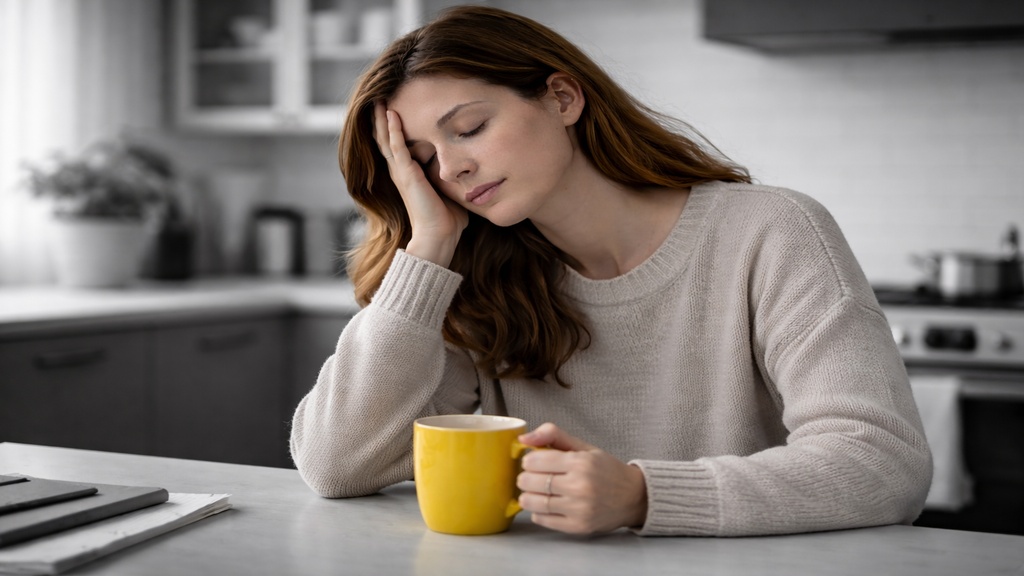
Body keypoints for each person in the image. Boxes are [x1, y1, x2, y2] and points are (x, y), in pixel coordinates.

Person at [290, 5, 932, 537]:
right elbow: (336, 464)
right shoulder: (473, 277)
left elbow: (881, 461)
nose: (449, 171)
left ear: (562, 97)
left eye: (471, 129)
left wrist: (644, 495)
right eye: (422, 161)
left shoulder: (769, 231)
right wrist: (427, 247)